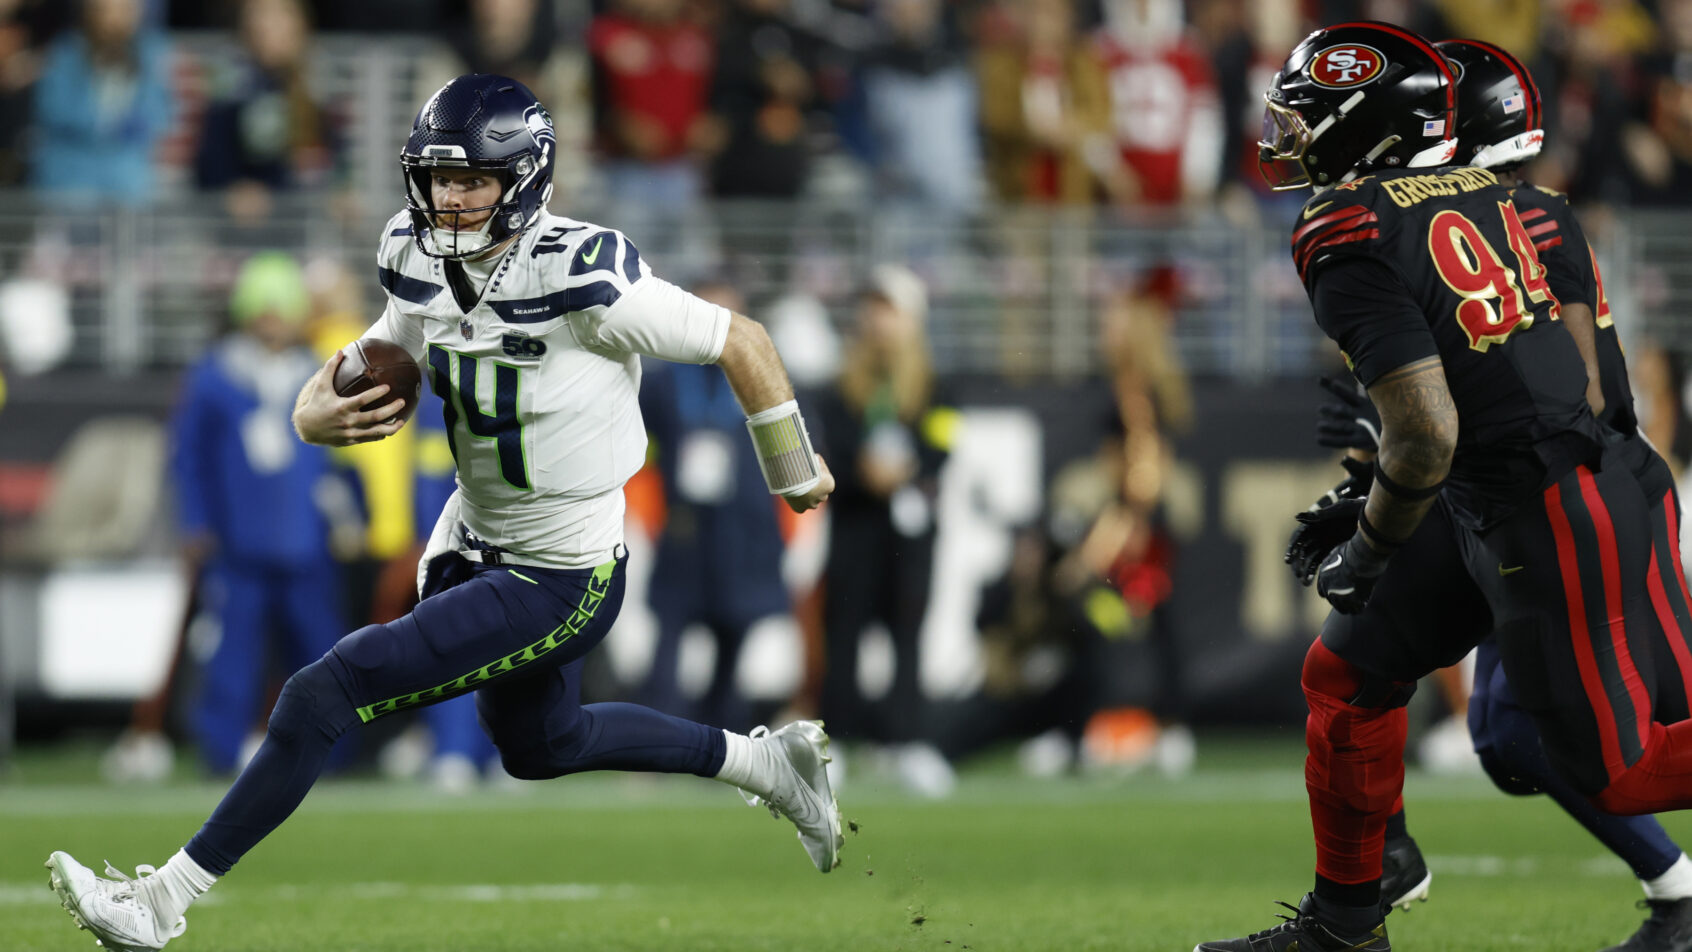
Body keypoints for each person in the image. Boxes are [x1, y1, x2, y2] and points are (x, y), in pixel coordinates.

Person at [45, 74, 843, 952]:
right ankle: (769, 764)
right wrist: (312, 409)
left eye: (473, 181)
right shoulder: (414, 253)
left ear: (527, 178)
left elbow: (743, 341)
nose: (450, 200)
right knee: (542, 743)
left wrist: (791, 467)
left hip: (563, 569)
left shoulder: (586, 274)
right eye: (438, 179)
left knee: (326, 690)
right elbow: (385, 344)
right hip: (473, 531)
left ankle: (160, 904)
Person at [1197, 21, 1692, 952]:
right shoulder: (1495, 193)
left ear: (1364, 126)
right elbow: (1538, 386)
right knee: (1348, 677)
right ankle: (1345, 926)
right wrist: (1408, 477)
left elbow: (1432, 430)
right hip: (1511, 484)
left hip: (1536, 495)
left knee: (1617, 769)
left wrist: (1375, 537)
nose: (1284, 135)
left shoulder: (1345, 222)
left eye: (1304, 117)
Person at [1358, 38, 1692, 951]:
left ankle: (1376, 860)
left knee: (1582, 746)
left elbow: (1563, 398)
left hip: (1555, 496)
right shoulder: (1538, 213)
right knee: (1507, 730)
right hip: (1575, 488)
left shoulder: (1486, 221)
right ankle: (1675, 888)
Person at [169, 251, 351, 774]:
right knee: (233, 656)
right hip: (237, 544)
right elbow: (188, 459)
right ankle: (221, 758)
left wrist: (344, 521)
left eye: (281, 308)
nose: (272, 320)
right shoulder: (215, 376)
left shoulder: (319, 372)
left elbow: (339, 463)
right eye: (263, 308)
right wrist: (195, 523)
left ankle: (327, 756)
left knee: (321, 653)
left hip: (307, 541)